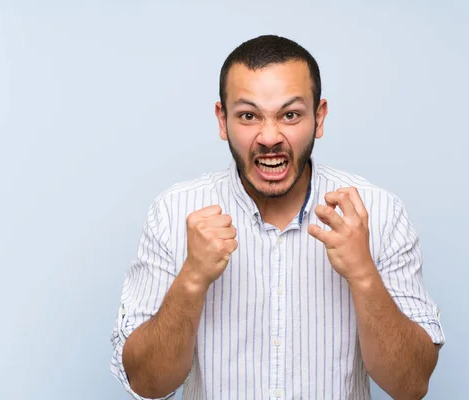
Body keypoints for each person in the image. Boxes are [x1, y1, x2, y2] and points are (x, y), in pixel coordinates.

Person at [110, 34, 445, 400]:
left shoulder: (380, 213)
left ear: (319, 117)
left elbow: (411, 385)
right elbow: (147, 384)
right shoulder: (173, 212)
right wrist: (192, 278)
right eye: (249, 116)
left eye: (290, 115)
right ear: (223, 121)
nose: (269, 137)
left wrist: (364, 274)